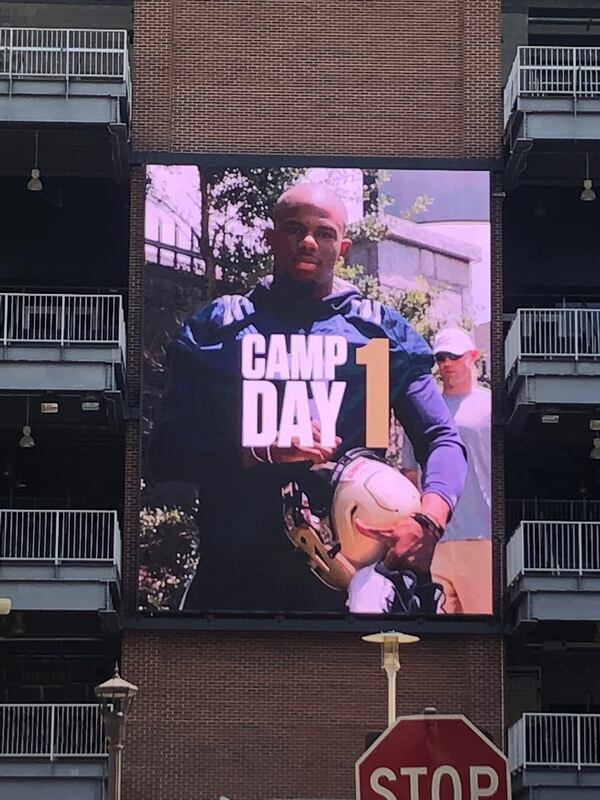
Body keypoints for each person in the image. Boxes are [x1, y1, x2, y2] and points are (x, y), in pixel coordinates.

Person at [148, 182, 468, 613]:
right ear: (271, 237)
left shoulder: (375, 336)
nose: (309, 241)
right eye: (295, 228)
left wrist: (428, 520)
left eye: (325, 232)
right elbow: (164, 453)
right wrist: (261, 452)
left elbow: (442, 439)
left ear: (344, 247)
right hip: (233, 580)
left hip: (351, 587)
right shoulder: (222, 330)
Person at [400, 327, 492, 614]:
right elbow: (410, 476)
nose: (446, 363)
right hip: (436, 538)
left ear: (473, 356)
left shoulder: (491, 406)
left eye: (453, 355)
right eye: (440, 357)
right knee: (442, 634)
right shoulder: (423, 411)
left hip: (481, 537)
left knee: (482, 627)